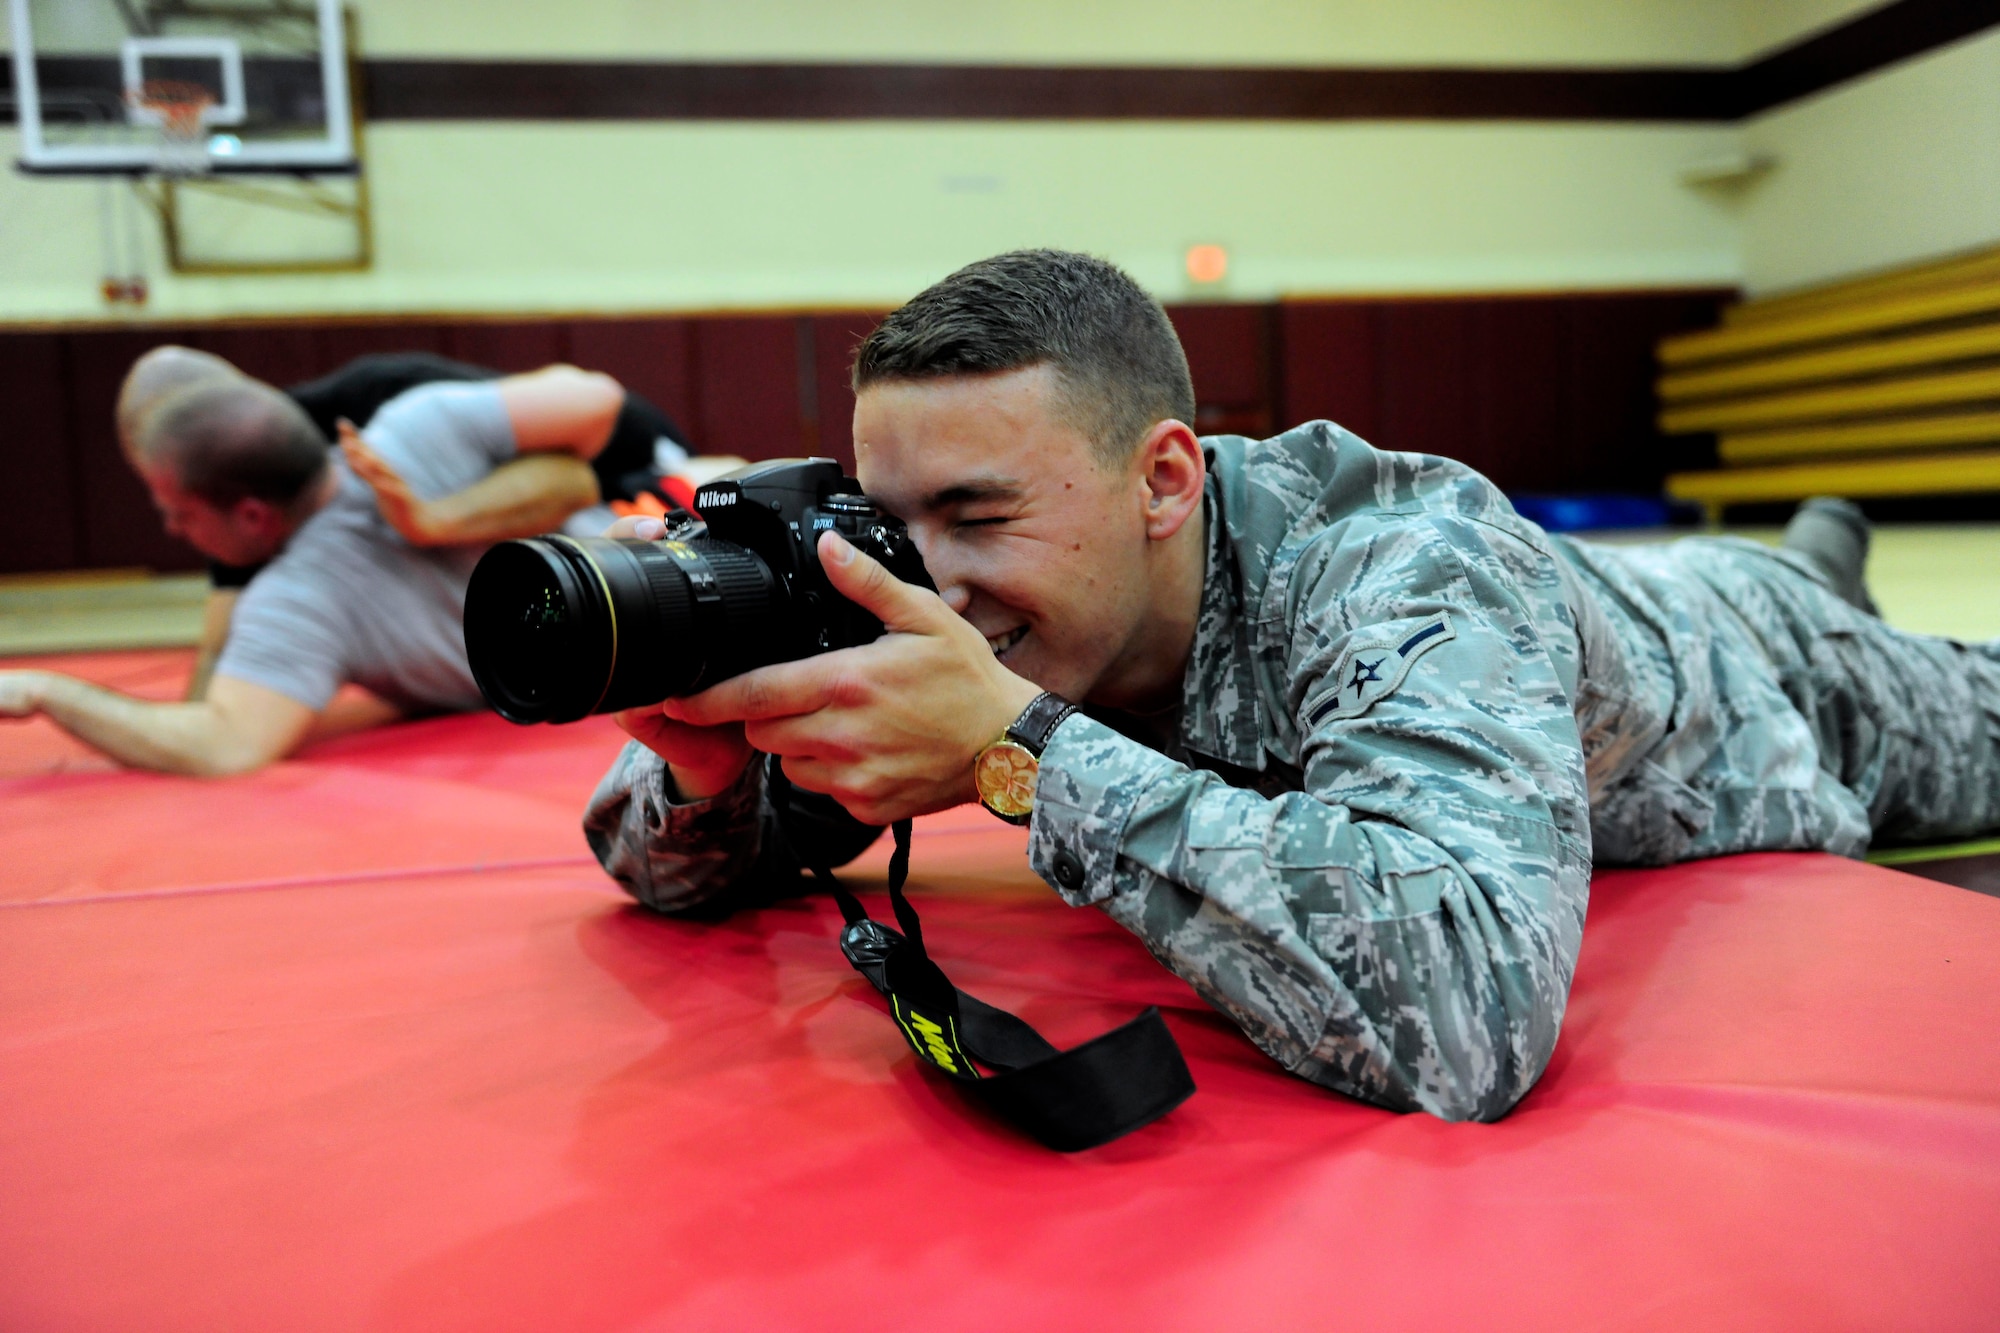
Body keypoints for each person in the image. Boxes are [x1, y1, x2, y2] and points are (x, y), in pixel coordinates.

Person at [580, 249, 2000, 1123]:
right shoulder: (958, 588)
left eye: (980, 514)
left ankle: (1818, 563)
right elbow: (667, 859)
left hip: (1769, 679)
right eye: (897, 519)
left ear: (1166, 479)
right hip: (1649, 616)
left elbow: (1467, 1016)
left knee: (1837, 619)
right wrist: (717, 787)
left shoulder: (1405, 563)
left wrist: (1017, 755)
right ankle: (1820, 543)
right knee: (1794, 557)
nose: (927, 582)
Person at [0, 358, 638, 774]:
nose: (171, 530)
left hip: (619, 675)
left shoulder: (295, 596)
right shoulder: (412, 427)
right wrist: (437, 519)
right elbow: (599, 397)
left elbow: (225, 743)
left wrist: (47, 691)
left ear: (252, 515)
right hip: (663, 609)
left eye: (178, 513)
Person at [112, 346, 696, 699]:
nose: (166, 518)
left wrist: (434, 521)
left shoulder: (378, 410)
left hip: (629, 466)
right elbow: (222, 642)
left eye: (168, 497)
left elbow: (574, 477)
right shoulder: (235, 488)